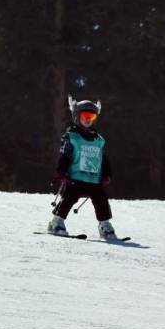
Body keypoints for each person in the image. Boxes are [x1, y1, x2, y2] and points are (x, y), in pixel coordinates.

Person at [48, 97, 120, 240]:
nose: (88, 120)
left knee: (101, 199)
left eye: (92, 116)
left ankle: (105, 226)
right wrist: (61, 171)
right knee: (69, 198)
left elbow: (103, 159)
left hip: (93, 179)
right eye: (85, 116)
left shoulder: (98, 140)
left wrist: (106, 174)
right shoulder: (72, 137)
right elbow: (65, 155)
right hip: (75, 177)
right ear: (76, 117)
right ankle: (56, 222)